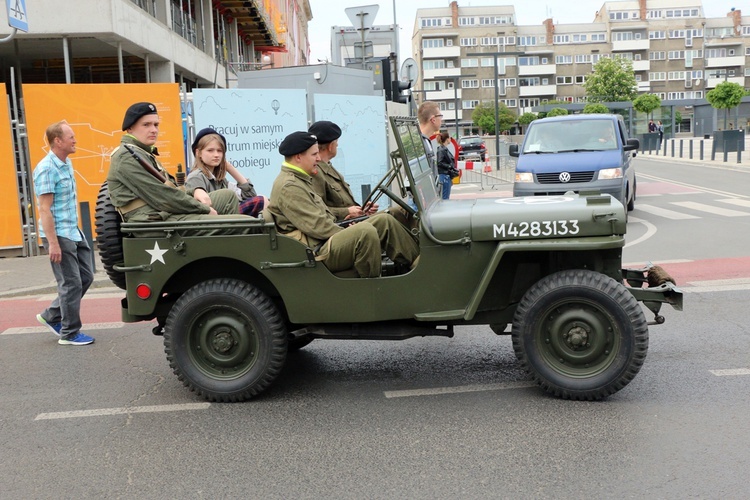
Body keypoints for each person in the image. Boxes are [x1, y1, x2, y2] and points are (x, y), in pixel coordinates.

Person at [266, 131, 419, 278]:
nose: (319, 158)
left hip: (322, 239)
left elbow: (321, 216)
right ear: (298, 157)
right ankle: (373, 290)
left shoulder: (299, 179)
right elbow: (318, 226)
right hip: (317, 248)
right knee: (365, 231)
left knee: (384, 220)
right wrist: (345, 230)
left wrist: (346, 222)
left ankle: (418, 265)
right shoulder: (290, 186)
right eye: (314, 154)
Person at [107, 102, 254, 236]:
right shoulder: (127, 156)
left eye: (156, 125)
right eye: (146, 125)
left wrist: (194, 191)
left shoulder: (142, 153)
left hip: (162, 213)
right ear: (130, 128)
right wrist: (203, 209)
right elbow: (163, 197)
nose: (153, 130)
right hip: (153, 221)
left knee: (227, 197)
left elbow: (171, 190)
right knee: (246, 223)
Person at [33, 121, 95, 346]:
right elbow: (44, 209)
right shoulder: (47, 169)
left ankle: (52, 315)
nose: (75, 140)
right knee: (70, 283)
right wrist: (53, 243)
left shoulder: (65, 163)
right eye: (71, 137)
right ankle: (69, 333)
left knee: (86, 277)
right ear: (58, 141)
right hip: (59, 234)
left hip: (73, 231)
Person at [186, 127, 266, 218]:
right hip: (216, 224)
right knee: (261, 200)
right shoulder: (196, 177)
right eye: (210, 150)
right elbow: (202, 207)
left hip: (225, 219)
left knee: (263, 200)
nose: (216, 155)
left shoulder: (220, 180)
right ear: (198, 153)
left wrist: (229, 168)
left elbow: (249, 196)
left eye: (220, 151)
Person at [308, 120, 377, 221]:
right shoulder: (317, 172)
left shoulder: (328, 168)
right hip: (341, 226)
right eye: (336, 142)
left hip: (352, 221)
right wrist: (348, 212)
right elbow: (318, 210)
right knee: (388, 220)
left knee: (395, 213)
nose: (337, 145)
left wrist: (361, 210)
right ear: (330, 146)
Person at [417, 101, 442, 175]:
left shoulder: (425, 140)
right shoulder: (420, 143)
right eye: (440, 116)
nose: (441, 120)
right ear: (433, 119)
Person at [436, 131, 456, 199]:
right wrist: (450, 166)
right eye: (450, 138)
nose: (450, 139)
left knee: (445, 196)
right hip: (445, 176)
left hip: (446, 176)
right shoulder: (442, 150)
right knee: (445, 197)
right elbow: (439, 162)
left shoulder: (444, 149)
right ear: (447, 139)